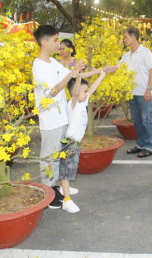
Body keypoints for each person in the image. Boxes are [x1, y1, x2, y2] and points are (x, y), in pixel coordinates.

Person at [32, 25, 101, 209]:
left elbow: (73, 76)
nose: (58, 44)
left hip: (62, 118)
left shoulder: (53, 63)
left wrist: (100, 71)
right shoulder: (38, 65)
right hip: (51, 120)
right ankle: (49, 190)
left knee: (60, 155)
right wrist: (71, 72)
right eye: (55, 40)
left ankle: (57, 187)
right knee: (50, 156)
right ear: (44, 42)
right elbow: (52, 91)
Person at [58, 67, 112, 213]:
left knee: (70, 170)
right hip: (69, 143)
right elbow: (76, 93)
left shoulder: (83, 102)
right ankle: (67, 200)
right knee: (66, 172)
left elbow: (93, 88)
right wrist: (77, 78)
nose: (86, 93)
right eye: (84, 91)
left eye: (86, 91)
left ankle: (65, 189)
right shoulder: (73, 103)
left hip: (75, 143)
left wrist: (102, 74)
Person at [120, 27, 152, 158]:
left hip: (143, 92)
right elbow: (117, 69)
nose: (123, 40)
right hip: (131, 93)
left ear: (133, 37)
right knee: (136, 120)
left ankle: (148, 146)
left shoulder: (145, 52)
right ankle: (140, 145)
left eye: (125, 37)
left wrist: (149, 88)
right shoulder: (125, 55)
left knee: (146, 120)